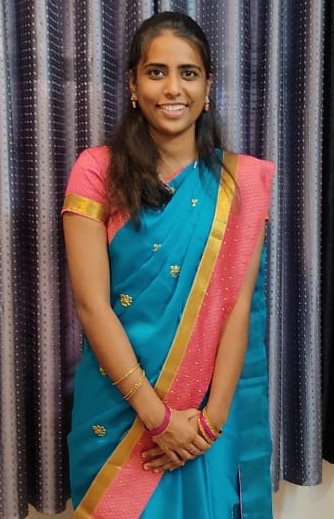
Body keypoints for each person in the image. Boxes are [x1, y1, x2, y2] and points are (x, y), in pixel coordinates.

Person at [62, 11, 274, 519]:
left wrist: (209, 424)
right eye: (156, 72)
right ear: (133, 85)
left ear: (207, 87)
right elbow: (92, 307)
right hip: (118, 409)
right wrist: (158, 420)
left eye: (189, 73)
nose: (173, 88)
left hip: (205, 415)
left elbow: (238, 307)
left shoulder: (240, 184)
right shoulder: (96, 171)